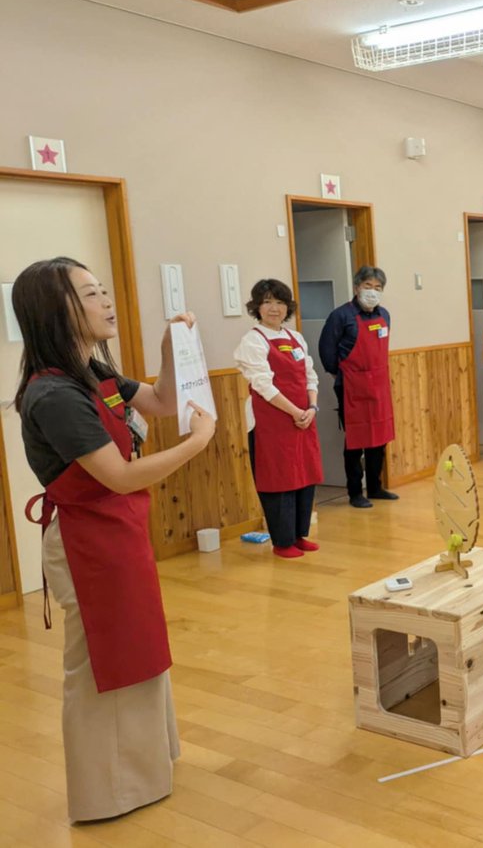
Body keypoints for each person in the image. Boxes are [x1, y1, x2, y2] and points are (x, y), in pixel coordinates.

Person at [14, 256, 216, 823]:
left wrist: (170, 348)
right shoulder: (54, 394)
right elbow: (120, 475)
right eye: (90, 294)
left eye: (103, 290)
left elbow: (161, 402)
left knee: (138, 644)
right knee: (100, 663)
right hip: (85, 542)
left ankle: (146, 767)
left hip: (118, 530)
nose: (105, 301)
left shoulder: (94, 372)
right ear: (55, 311)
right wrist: (196, 445)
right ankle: (106, 792)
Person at [234, 279, 323, 559]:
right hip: (272, 421)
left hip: (304, 416)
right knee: (278, 478)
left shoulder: (296, 337)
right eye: (268, 302)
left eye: (280, 302)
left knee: (304, 475)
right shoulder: (253, 341)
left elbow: (310, 376)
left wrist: (312, 407)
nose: (274, 308)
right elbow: (263, 385)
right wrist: (295, 412)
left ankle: (298, 535)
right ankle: (282, 542)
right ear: (257, 307)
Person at [317, 266, 396, 509]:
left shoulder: (384, 315)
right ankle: (355, 492)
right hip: (351, 385)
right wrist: (341, 374)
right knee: (355, 440)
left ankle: (375, 487)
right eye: (367, 286)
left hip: (379, 384)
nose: (372, 292)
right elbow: (327, 351)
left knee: (379, 438)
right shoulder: (341, 316)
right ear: (356, 287)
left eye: (377, 288)